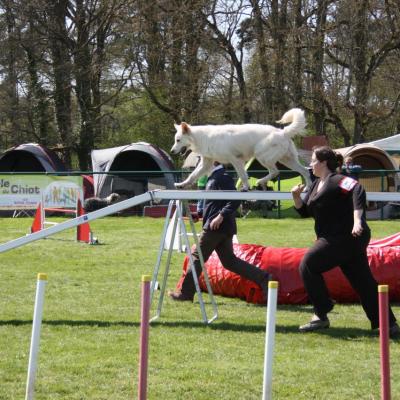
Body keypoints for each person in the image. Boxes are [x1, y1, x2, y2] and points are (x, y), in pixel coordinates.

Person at [291, 146, 399, 336]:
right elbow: (305, 212)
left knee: (308, 264)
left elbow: (357, 191)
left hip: (347, 236)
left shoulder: (338, 180)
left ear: (323, 163)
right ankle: (388, 324)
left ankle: (321, 312)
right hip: (339, 239)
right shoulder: (317, 184)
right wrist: (296, 197)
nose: (310, 164)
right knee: (363, 282)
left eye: (313, 160)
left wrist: (358, 221)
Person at [169, 161, 270, 302]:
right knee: (229, 262)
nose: (199, 167)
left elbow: (235, 200)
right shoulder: (214, 176)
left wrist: (220, 216)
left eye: (201, 163)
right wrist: (199, 214)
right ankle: (264, 278)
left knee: (196, 256)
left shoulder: (222, 177)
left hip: (216, 228)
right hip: (221, 227)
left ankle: (185, 294)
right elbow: (215, 203)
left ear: (212, 161)